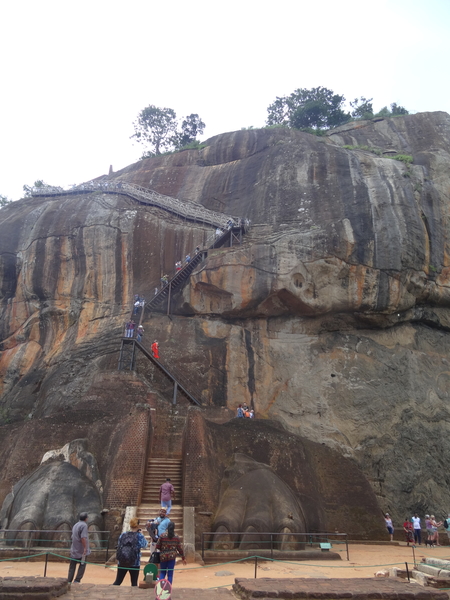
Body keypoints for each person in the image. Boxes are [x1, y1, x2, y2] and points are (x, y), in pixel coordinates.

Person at [112, 516, 147, 587]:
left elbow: (119, 544)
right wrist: (142, 534)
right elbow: (144, 545)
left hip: (122, 560)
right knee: (134, 583)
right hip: (134, 561)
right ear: (138, 525)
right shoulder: (139, 535)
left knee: (118, 581)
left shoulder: (123, 535)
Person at [155, 521, 186, 585]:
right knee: (170, 574)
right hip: (172, 558)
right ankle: (168, 589)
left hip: (163, 557)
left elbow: (157, 546)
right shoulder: (176, 537)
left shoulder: (162, 536)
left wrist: (163, 549)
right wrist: (183, 557)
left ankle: (160, 588)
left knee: (162, 572)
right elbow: (179, 548)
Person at [68, 512, 90, 584]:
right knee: (82, 565)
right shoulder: (84, 525)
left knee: (72, 566)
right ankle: (77, 580)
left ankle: (69, 580)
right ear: (86, 518)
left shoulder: (75, 525)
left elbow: (72, 536)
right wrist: (85, 548)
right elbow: (83, 538)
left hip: (74, 549)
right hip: (81, 551)